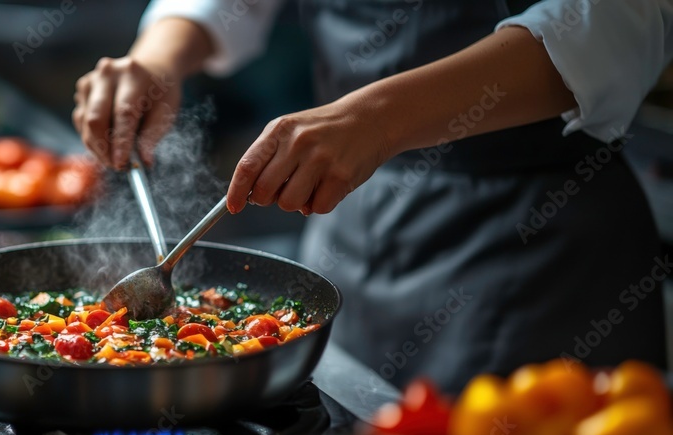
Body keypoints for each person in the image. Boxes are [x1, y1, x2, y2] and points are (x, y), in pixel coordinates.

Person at [72, 0, 673, 392]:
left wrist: (381, 120)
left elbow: (622, 19)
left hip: (537, 240)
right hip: (349, 213)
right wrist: (156, 59)